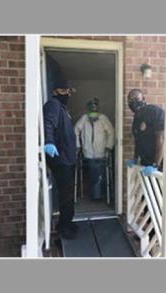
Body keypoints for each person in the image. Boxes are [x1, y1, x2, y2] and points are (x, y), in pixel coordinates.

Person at [43, 80, 79, 239]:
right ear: (55, 91)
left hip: (68, 158)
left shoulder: (63, 109)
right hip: (61, 159)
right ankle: (63, 227)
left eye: (70, 92)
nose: (69, 95)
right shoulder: (53, 105)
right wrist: (49, 142)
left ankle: (67, 221)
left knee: (69, 192)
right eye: (65, 91)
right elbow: (48, 123)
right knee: (65, 193)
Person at [74, 98, 115, 201]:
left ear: (98, 108)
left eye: (95, 106)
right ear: (88, 109)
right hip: (88, 153)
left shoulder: (103, 118)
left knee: (100, 173)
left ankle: (100, 194)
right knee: (92, 172)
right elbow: (75, 131)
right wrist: (77, 145)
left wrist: (109, 147)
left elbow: (111, 132)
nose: (93, 108)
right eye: (91, 107)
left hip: (101, 152)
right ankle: (94, 195)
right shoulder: (84, 118)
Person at [126, 89, 164, 177]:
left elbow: (161, 140)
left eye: (137, 99)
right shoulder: (136, 118)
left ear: (143, 98)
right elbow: (137, 141)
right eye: (130, 100)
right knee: (146, 189)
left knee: (157, 190)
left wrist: (156, 165)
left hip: (159, 165)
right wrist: (135, 159)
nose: (134, 102)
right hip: (145, 164)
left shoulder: (154, 112)